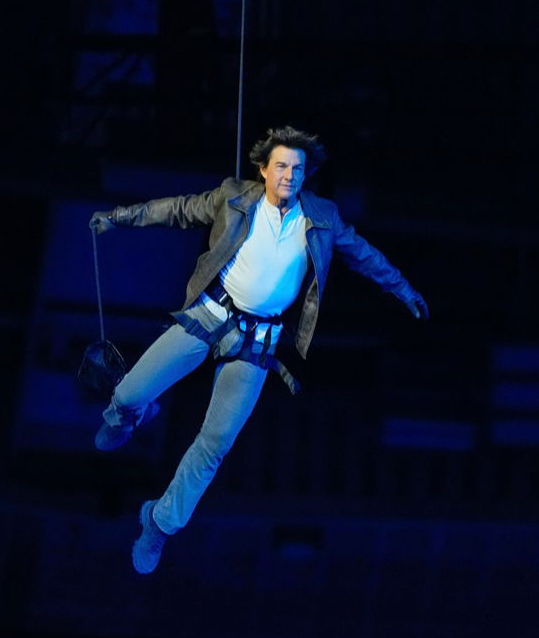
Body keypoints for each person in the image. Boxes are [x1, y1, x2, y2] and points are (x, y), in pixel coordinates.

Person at [90, 126, 428, 574]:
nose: (289, 175)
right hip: (210, 316)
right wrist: (119, 216)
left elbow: (363, 255)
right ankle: (125, 417)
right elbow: (176, 210)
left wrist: (401, 286)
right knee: (130, 393)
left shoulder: (321, 217)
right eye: (282, 166)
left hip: (258, 342)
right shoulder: (234, 198)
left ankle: (158, 522)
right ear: (264, 170)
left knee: (214, 444)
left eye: (298, 169)